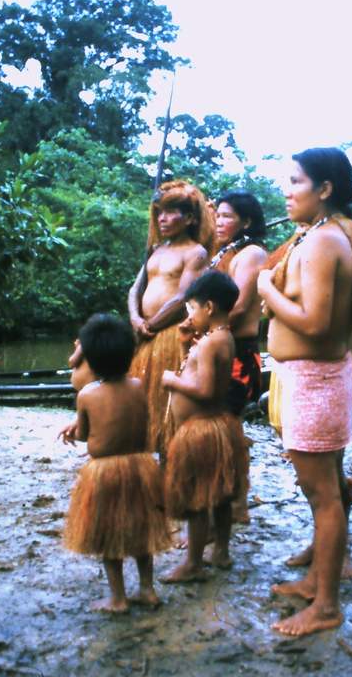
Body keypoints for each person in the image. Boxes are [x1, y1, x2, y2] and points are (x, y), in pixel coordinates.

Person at [257, 147, 352, 637]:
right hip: (313, 377)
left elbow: (314, 323)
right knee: (325, 488)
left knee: (323, 496)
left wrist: (266, 291)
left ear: (325, 189)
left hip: (317, 378)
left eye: (295, 181)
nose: (286, 190)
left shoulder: (323, 242)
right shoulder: (318, 236)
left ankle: (327, 605)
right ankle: (318, 578)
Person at [61, 313, 172, 614]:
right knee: (141, 532)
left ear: (92, 361)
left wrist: (75, 431)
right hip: (141, 466)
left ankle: (118, 598)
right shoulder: (137, 385)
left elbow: (86, 434)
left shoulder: (87, 394)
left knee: (109, 536)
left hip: (105, 471)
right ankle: (147, 590)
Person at [160, 271, 249, 581]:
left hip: (201, 428)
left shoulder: (212, 343)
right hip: (217, 426)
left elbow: (207, 390)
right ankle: (221, 552)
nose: (190, 317)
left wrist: (171, 380)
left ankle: (193, 564)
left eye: (191, 310)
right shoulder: (221, 337)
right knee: (220, 494)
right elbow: (199, 374)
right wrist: (187, 348)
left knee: (198, 499)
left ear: (209, 307)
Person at [128, 180, 213, 453]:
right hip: (145, 336)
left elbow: (183, 297)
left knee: (168, 410)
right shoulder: (155, 250)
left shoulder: (195, 252)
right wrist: (135, 318)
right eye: (159, 213)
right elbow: (135, 289)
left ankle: (173, 463)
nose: (162, 219)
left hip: (171, 336)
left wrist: (150, 324)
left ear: (189, 218)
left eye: (170, 212)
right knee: (143, 407)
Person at [211, 191, 269, 415]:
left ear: (247, 222)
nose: (218, 222)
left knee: (225, 421)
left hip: (238, 351)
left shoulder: (252, 254)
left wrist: (203, 335)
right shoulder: (232, 253)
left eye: (227, 217)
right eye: (217, 216)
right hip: (225, 345)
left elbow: (238, 307)